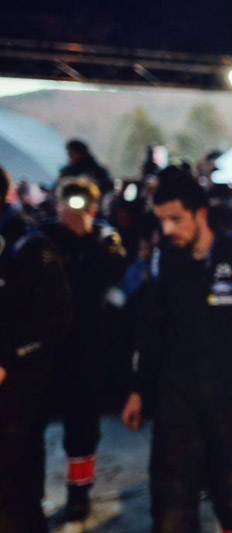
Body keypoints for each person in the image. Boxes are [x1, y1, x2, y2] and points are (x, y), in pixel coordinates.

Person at [121, 170, 232, 533]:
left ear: (200, 213)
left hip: (230, 401)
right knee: (171, 505)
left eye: (176, 219)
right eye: (161, 220)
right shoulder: (163, 261)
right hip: (175, 403)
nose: (167, 229)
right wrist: (137, 389)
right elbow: (147, 332)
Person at [40, 177, 127, 522]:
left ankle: (79, 493)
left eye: (84, 204)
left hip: (86, 350)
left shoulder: (104, 241)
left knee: (82, 428)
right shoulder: (43, 239)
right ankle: (29, 495)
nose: (76, 211)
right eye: (69, 203)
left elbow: (117, 277)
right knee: (31, 428)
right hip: (47, 349)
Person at [0, 166, 73, 532]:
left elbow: (57, 319)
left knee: (15, 481)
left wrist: (9, 359)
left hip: (21, 383)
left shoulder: (29, 245)